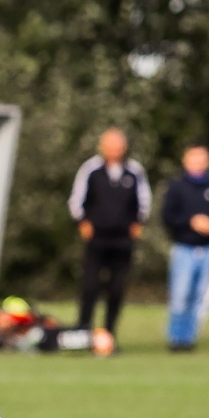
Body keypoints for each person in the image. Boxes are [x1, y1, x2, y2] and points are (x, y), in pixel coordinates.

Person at [69, 128, 150, 349]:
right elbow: (76, 200)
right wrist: (83, 222)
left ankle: (109, 334)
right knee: (90, 285)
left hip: (122, 239)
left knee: (117, 288)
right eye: (110, 145)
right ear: (102, 146)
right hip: (97, 237)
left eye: (118, 145)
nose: (114, 150)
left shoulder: (134, 171)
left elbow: (144, 201)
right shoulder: (91, 169)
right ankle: (83, 332)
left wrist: (137, 223)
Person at [161, 144, 209, 352]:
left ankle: (188, 339)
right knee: (180, 296)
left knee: (199, 297)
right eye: (193, 158)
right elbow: (167, 217)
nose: (197, 163)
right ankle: (175, 338)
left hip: (207, 250)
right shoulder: (177, 187)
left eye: (201, 159)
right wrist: (191, 222)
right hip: (184, 248)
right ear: (185, 160)